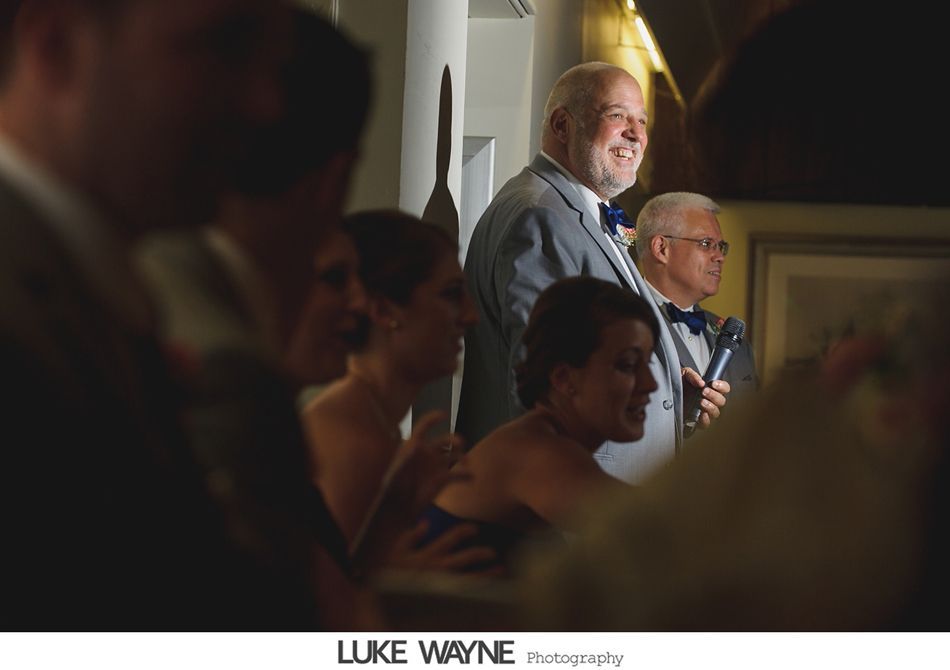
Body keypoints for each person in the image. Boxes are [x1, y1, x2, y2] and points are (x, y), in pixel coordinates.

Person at [0, 0, 292, 628]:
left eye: (270, 61)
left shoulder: (91, 283)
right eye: (222, 46)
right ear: (57, 49)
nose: (265, 105)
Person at [456, 61, 728, 485]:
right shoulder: (541, 217)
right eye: (617, 116)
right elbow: (542, 389)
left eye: (641, 121)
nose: (636, 134)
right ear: (563, 125)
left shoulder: (576, 211)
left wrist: (666, 391)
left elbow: (586, 358)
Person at [422, 277, 659, 570]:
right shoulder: (536, 452)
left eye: (648, 363)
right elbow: (663, 536)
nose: (650, 384)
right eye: (627, 365)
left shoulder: (538, 436)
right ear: (563, 378)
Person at [302, 210, 481, 545]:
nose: (470, 316)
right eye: (451, 293)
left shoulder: (373, 424)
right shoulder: (355, 444)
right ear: (384, 311)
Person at [634, 192, 757, 401]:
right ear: (661, 248)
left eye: (721, 247)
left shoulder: (734, 340)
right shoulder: (622, 328)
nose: (719, 257)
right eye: (706, 243)